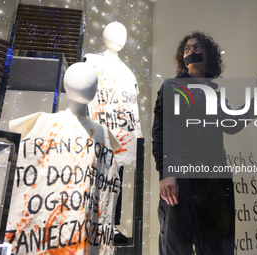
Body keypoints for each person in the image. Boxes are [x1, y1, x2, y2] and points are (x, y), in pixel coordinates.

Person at [152, 31, 257, 255]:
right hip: (183, 178)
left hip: (216, 181)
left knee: (219, 247)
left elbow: (233, 123)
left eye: (197, 47)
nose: (191, 51)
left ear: (208, 55)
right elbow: (161, 133)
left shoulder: (215, 94)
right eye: (187, 49)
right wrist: (165, 172)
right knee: (177, 247)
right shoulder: (173, 87)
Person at [5, 62, 120, 255]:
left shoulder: (103, 134)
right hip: (45, 232)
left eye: (91, 81)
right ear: (66, 83)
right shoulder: (41, 123)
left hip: (85, 232)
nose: (85, 84)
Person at [83, 22, 142, 243]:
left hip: (120, 132)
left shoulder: (129, 73)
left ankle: (110, 224)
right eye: (114, 31)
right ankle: (90, 221)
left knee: (116, 178)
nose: (119, 36)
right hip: (98, 128)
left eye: (123, 32)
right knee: (95, 175)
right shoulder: (92, 61)